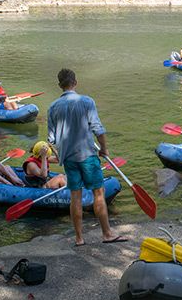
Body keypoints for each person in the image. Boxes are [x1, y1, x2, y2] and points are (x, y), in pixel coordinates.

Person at [47, 68, 127, 246]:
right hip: (88, 155)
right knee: (98, 193)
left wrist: (61, 154)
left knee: (75, 197)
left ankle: (79, 238)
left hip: (69, 158)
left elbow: (51, 139)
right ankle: (106, 233)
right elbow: (98, 129)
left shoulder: (53, 107)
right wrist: (104, 149)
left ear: (60, 85)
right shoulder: (87, 101)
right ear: (75, 82)